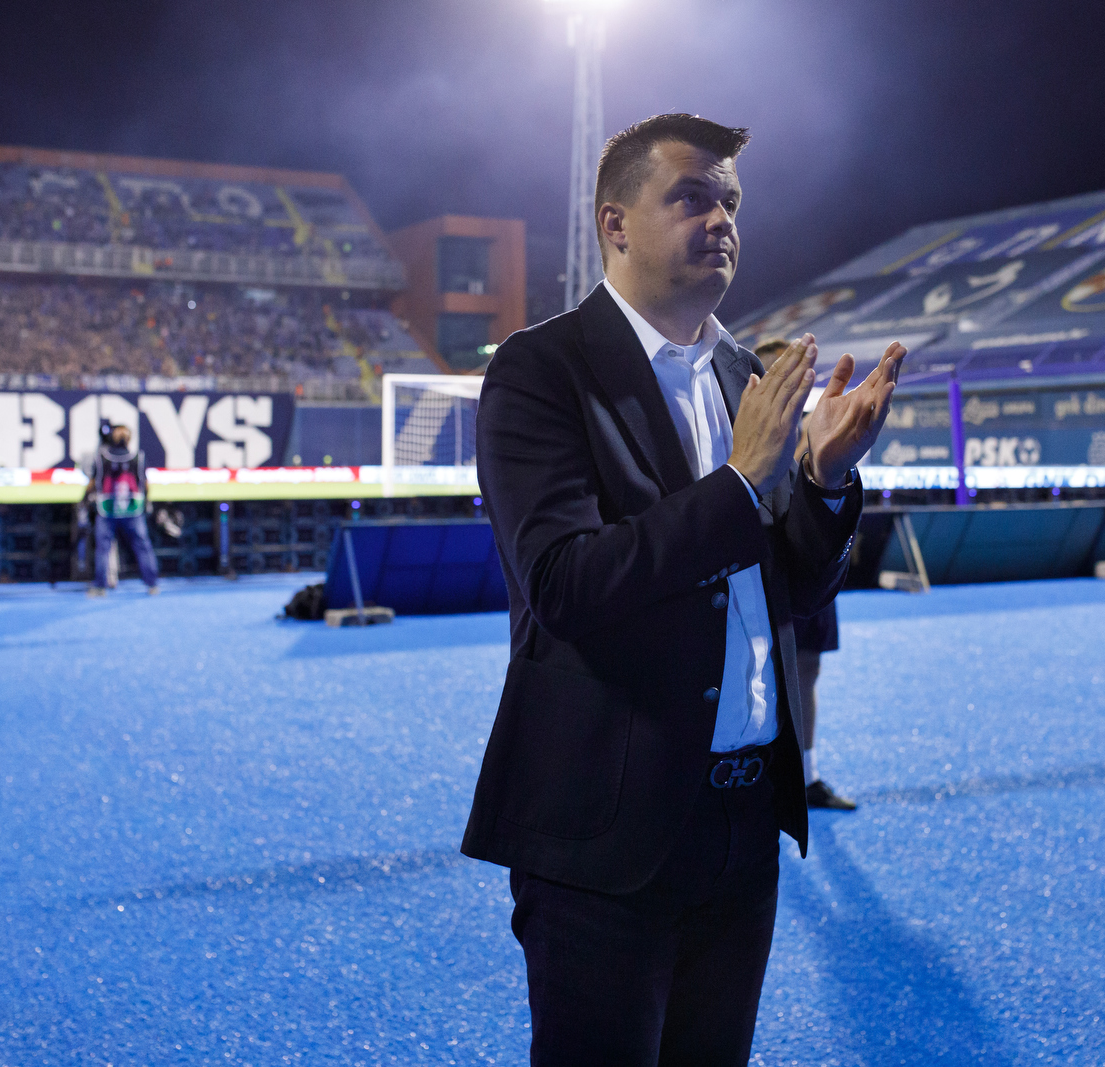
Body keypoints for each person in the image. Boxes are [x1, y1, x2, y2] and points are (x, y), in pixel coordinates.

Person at [461, 113, 905, 1066]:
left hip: (742, 830)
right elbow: (564, 586)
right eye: (692, 197)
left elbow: (786, 590)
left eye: (731, 201)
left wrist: (825, 484)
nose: (722, 220)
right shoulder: (540, 371)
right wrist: (741, 484)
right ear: (614, 223)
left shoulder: (750, 374)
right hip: (604, 830)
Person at [754, 337, 856, 810]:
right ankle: (760, 771)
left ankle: (807, 776)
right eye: (781, 370)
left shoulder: (823, 430)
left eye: (799, 370)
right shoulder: (746, 433)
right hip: (759, 576)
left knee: (808, 670)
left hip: (812, 572)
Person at [83, 421, 160, 596]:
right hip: (129, 509)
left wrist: (85, 500)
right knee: (141, 545)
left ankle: (101, 586)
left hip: (110, 509)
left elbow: (93, 483)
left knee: (105, 548)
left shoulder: (103, 457)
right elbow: (145, 485)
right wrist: (147, 502)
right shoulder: (135, 457)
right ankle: (152, 584)